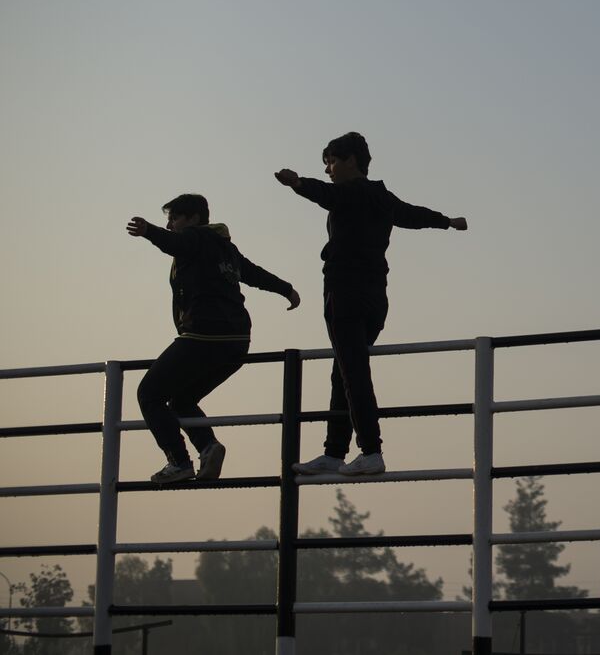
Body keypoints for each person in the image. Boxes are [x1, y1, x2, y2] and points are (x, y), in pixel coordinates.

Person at [275, 132, 468, 476]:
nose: (330, 169)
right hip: (376, 297)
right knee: (344, 371)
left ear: (351, 160)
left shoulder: (350, 193)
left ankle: (371, 450)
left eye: (333, 161)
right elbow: (411, 214)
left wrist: (298, 183)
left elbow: (326, 193)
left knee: (353, 373)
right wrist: (446, 221)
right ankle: (334, 453)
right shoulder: (381, 196)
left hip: (344, 292)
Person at [127, 194, 300, 484]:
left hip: (204, 335)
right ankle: (208, 447)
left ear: (193, 218)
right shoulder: (225, 248)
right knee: (182, 400)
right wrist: (287, 289)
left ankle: (179, 462)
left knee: (149, 393)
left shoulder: (195, 238)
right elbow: (253, 273)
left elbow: (176, 243)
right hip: (236, 341)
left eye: (174, 219)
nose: (170, 225)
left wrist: (149, 231)